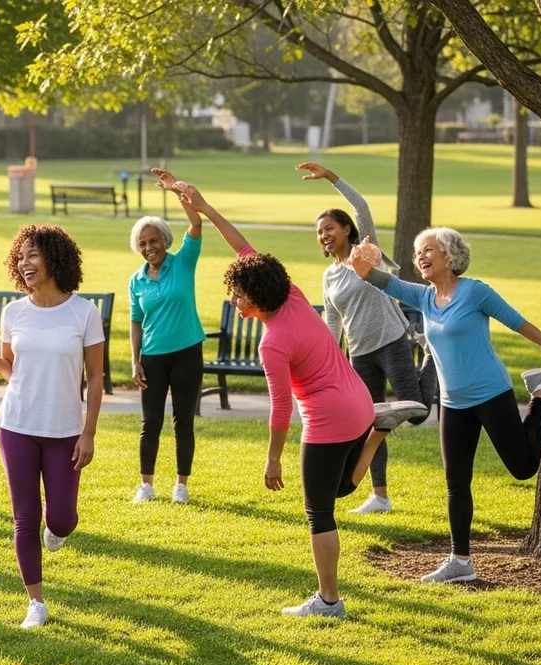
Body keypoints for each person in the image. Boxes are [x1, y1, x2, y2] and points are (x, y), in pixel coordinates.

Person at [161, 174, 426, 618]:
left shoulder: (272, 342)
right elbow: (244, 248)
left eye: (237, 293)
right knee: (340, 487)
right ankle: (379, 430)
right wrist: (203, 208)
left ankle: (328, 601)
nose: (233, 299)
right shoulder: (296, 297)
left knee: (319, 512)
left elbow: (282, 409)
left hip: (328, 421)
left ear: (256, 296)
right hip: (359, 406)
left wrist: (273, 458)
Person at [348, 229, 541, 583]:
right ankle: (460, 561)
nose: (421, 257)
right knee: (456, 483)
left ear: (450, 256)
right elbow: (376, 280)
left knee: (523, 467)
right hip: (453, 403)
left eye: (429, 250)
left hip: (491, 393)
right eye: (417, 252)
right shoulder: (422, 297)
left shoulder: (475, 292)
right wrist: (361, 258)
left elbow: (516, 321)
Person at [0, 224, 104, 630]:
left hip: (65, 429)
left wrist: (89, 432)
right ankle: (36, 602)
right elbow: (12, 372)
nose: (24, 263)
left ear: (54, 258)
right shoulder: (14, 312)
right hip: (17, 424)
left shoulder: (83, 312)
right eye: (21, 257)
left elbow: (97, 377)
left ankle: (57, 532)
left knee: (62, 519)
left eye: (33, 255)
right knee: (24, 518)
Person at [298, 161, 438, 515]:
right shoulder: (329, 276)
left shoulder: (367, 254)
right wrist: (326, 361)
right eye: (319, 232)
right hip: (359, 355)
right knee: (371, 423)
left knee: (418, 413)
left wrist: (331, 177)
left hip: (390, 340)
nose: (324, 235)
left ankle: (432, 355)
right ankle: (380, 496)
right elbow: (332, 322)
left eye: (329, 228)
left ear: (347, 229)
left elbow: (362, 206)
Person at [127, 171, 206, 504]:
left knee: (183, 421)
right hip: (153, 358)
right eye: (143, 244)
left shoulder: (184, 262)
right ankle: (146, 485)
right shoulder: (137, 280)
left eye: (153, 240)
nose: (149, 248)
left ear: (164, 239)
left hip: (187, 352)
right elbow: (135, 320)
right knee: (151, 422)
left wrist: (177, 190)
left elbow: (197, 225)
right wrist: (135, 360)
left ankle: (181, 485)